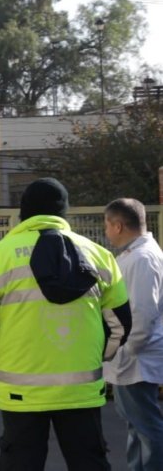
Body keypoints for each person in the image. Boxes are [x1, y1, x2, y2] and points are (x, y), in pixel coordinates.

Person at [0, 178, 132, 471]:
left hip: (19, 390)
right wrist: (95, 357)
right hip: (82, 390)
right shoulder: (100, 256)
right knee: (89, 462)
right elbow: (120, 325)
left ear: (23, 213)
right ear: (63, 212)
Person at [103, 198, 163, 471]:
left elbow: (142, 314)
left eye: (106, 225)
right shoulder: (138, 255)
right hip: (134, 357)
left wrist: (125, 352)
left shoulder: (141, 258)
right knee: (137, 426)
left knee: (146, 427)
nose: (106, 232)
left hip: (137, 359)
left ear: (117, 225)